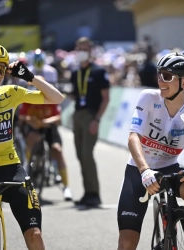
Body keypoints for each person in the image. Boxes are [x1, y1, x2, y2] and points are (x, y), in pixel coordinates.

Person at [0, 42, 65, 250]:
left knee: (35, 235)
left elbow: (57, 98)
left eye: (2, 69)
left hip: (13, 169)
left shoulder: (10, 93)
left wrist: (30, 77)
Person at [117, 53, 184, 250]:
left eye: (167, 77)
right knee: (127, 243)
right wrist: (144, 171)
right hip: (139, 170)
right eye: (160, 75)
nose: (161, 80)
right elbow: (133, 137)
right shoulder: (148, 98)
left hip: (169, 169)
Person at [18, 49, 72, 201]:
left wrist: (45, 122)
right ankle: (28, 167)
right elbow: (22, 115)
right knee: (31, 138)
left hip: (49, 127)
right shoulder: (29, 98)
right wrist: (31, 120)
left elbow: (58, 118)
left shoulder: (51, 99)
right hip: (34, 126)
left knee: (57, 149)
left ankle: (67, 187)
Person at [69, 37, 110, 207]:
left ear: (91, 51)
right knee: (80, 155)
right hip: (77, 114)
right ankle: (87, 192)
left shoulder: (98, 72)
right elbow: (74, 95)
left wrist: (97, 119)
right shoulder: (74, 72)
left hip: (91, 116)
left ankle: (94, 193)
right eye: (79, 49)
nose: (81, 52)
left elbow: (106, 98)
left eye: (84, 49)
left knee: (87, 154)